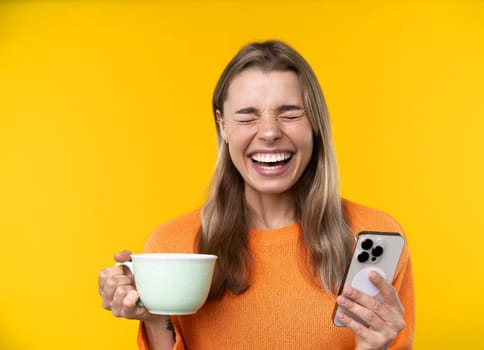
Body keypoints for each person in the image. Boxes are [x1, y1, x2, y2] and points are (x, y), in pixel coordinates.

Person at [98, 40, 415, 350]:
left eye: (290, 113)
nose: (269, 132)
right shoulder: (170, 246)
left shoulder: (373, 234)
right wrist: (154, 319)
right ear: (222, 125)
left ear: (315, 124)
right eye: (248, 115)